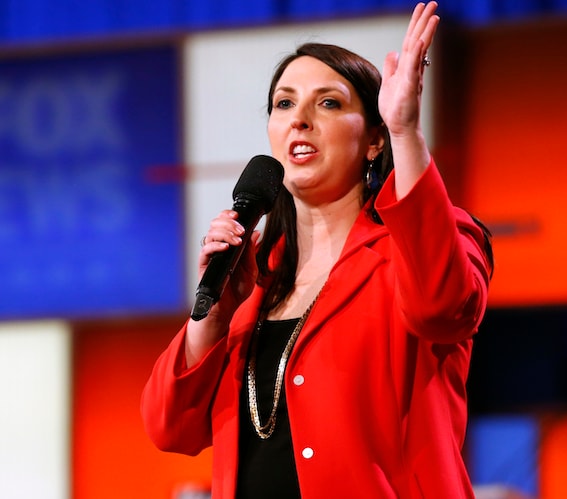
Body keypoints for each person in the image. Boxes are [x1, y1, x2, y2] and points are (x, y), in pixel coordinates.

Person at [141, 2, 494, 498]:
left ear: (374, 140)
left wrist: (405, 131)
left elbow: (441, 310)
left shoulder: (428, 240)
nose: (299, 120)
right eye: (284, 104)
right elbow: (169, 427)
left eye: (328, 103)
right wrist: (214, 315)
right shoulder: (255, 277)